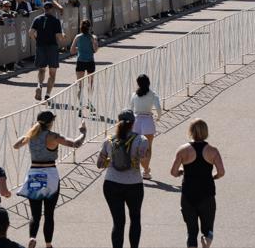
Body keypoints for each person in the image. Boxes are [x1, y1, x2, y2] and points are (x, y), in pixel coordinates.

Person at [11, 110, 85, 248]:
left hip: (34, 174)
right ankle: (48, 244)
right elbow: (75, 143)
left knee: (35, 213)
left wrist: (29, 133)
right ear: (50, 123)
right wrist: (83, 132)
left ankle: (32, 237)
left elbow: (16, 145)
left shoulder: (31, 135)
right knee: (49, 214)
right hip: (50, 174)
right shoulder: (53, 136)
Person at [170, 118, 225, 248]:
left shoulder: (183, 150)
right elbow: (221, 172)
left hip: (189, 194)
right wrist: (214, 177)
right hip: (207, 194)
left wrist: (181, 171)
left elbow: (173, 172)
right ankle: (207, 241)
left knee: (191, 231)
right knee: (207, 229)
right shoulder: (213, 151)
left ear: (191, 131)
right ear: (206, 132)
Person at [97, 109, 148, 248]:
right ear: (133, 123)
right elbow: (143, 158)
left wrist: (110, 159)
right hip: (134, 184)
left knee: (118, 223)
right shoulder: (141, 140)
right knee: (135, 219)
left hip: (111, 184)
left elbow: (99, 164)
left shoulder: (108, 141)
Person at [28, 2, 63, 102]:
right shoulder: (55, 21)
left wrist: (37, 39)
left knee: (41, 70)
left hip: (41, 46)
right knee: (52, 73)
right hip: (52, 47)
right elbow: (59, 37)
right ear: (52, 9)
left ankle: (39, 85)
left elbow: (30, 33)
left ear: (44, 9)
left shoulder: (37, 19)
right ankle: (47, 95)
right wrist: (63, 37)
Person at [130, 74, 163, 179]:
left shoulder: (134, 94)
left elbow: (131, 109)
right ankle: (146, 171)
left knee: (135, 147)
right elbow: (158, 108)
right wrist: (158, 117)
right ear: (148, 82)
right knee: (148, 148)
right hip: (148, 122)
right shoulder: (153, 94)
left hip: (136, 122)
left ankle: (136, 169)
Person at [69, 19, 97, 112]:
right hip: (90, 61)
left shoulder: (77, 37)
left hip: (80, 61)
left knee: (80, 85)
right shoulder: (93, 37)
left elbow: (72, 51)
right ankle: (90, 102)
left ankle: (80, 106)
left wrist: (80, 49)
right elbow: (95, 50)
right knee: (91, 83)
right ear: (90, 27)